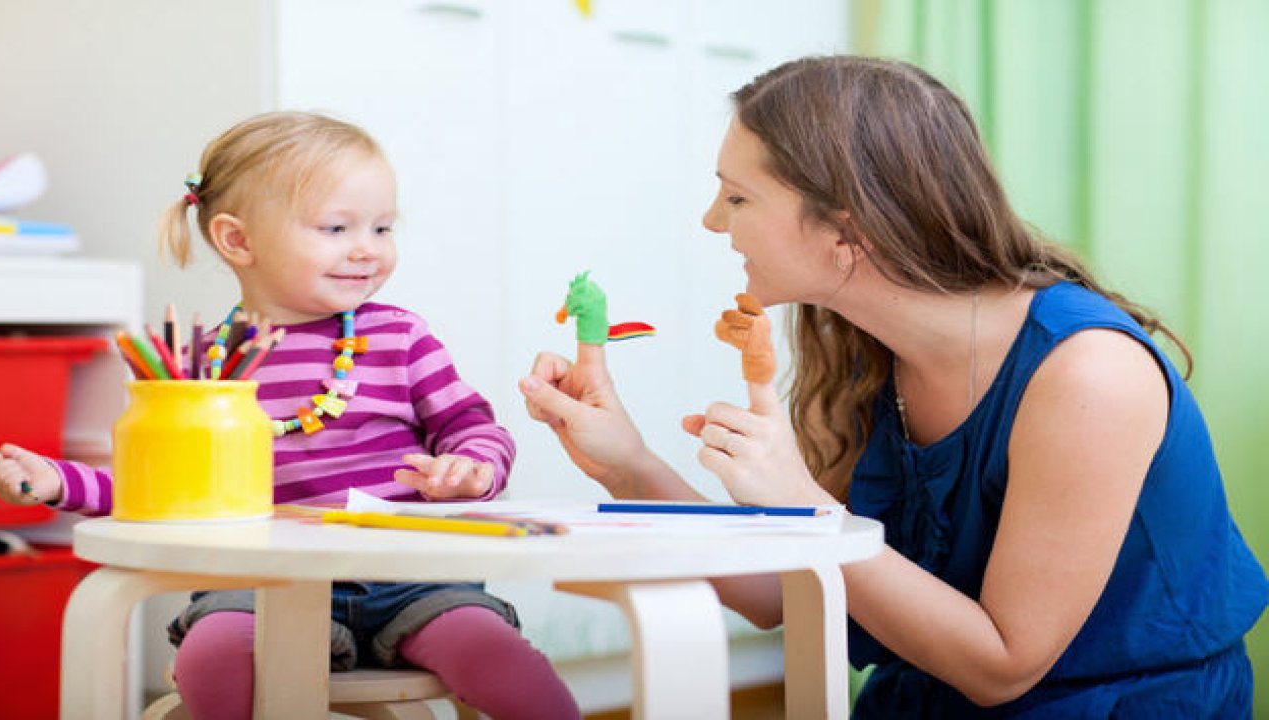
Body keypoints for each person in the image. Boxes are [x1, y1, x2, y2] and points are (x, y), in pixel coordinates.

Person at [518, 56, 1268, 717]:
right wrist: (626, 461)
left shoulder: (1090, 375)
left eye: (738, 198)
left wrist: (807, 503)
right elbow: (781, 592)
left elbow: (1002, 667)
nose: (713, 221)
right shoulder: (864, 354)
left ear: (848, 230)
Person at [0, 111, 579, 720]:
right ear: (237, 240)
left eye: (382, 228)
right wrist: (58, 481)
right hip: (259, 585)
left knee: (503, 664)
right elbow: (160, 490)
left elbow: (475, 426)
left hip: (414, 578)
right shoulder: (199, 364)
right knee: (209, 659)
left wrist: (472, 468)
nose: (366, 249)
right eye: (335, 227)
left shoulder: (400, 337)